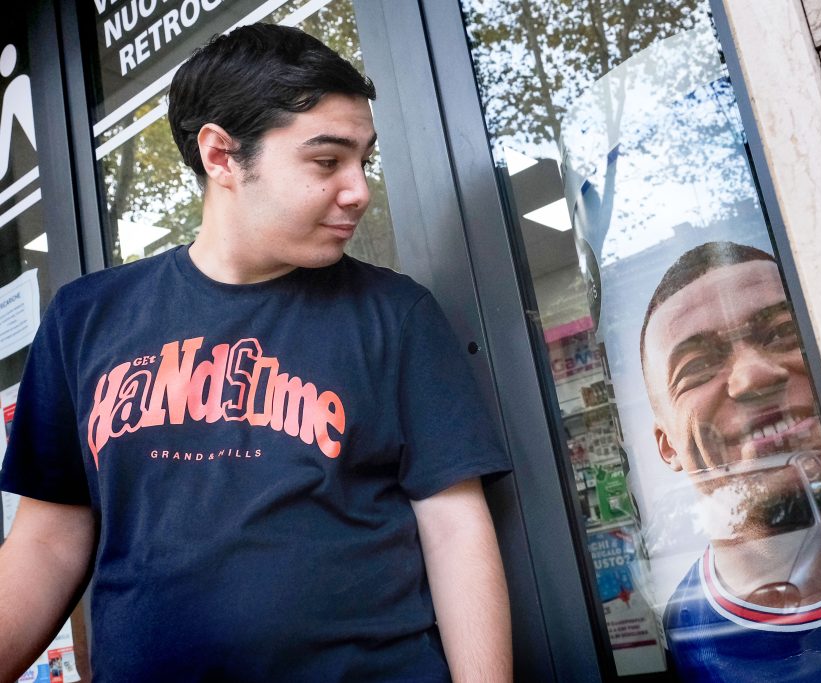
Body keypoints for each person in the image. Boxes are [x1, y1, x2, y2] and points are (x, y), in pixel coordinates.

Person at [0, 24, 512, 682]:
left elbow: (455, 529)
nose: (359, 189)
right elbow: (46, 541)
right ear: (221, 156)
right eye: (327, 161)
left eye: (364, 160)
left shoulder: (395, 315)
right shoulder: (85, 318)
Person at [639, 241, 821, 681]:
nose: (754, 375)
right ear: (668, 446)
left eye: (780, 333)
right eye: (697, 366)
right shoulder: (681, 630)